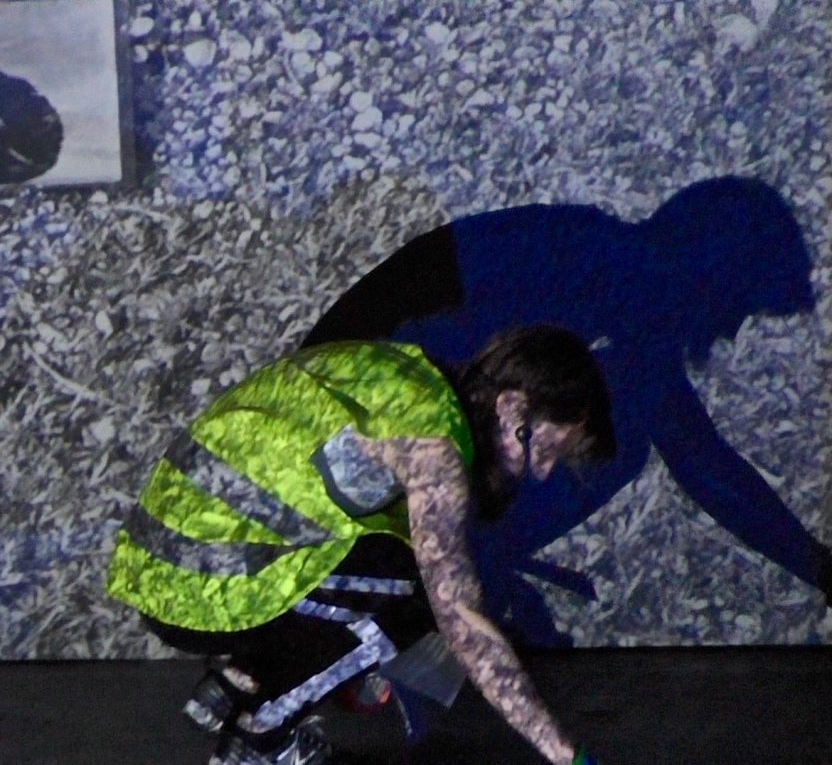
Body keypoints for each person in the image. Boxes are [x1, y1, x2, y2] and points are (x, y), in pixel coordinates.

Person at [303, 176, 832, 647]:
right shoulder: (606, 271)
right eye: (740, 306)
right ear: (714, 271)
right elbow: (700, 460)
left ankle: (438, 584)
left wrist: (816, 564)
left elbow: (702, 461)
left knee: (604, 423)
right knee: (608, 434)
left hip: (365, 416)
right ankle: (427, 590)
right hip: (348, 423)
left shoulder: (618, 285)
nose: (731, 330)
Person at [107, 327, 615, 764]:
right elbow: (464, 626)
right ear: (511, 406)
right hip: (198, 590)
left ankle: (233, 685)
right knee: (418, 592)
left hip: (155, 567)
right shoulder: (433, 450)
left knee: (378, 558)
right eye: (545, 449)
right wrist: (567, 754)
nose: (541, 473)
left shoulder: (405, 374)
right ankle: (262, 738)